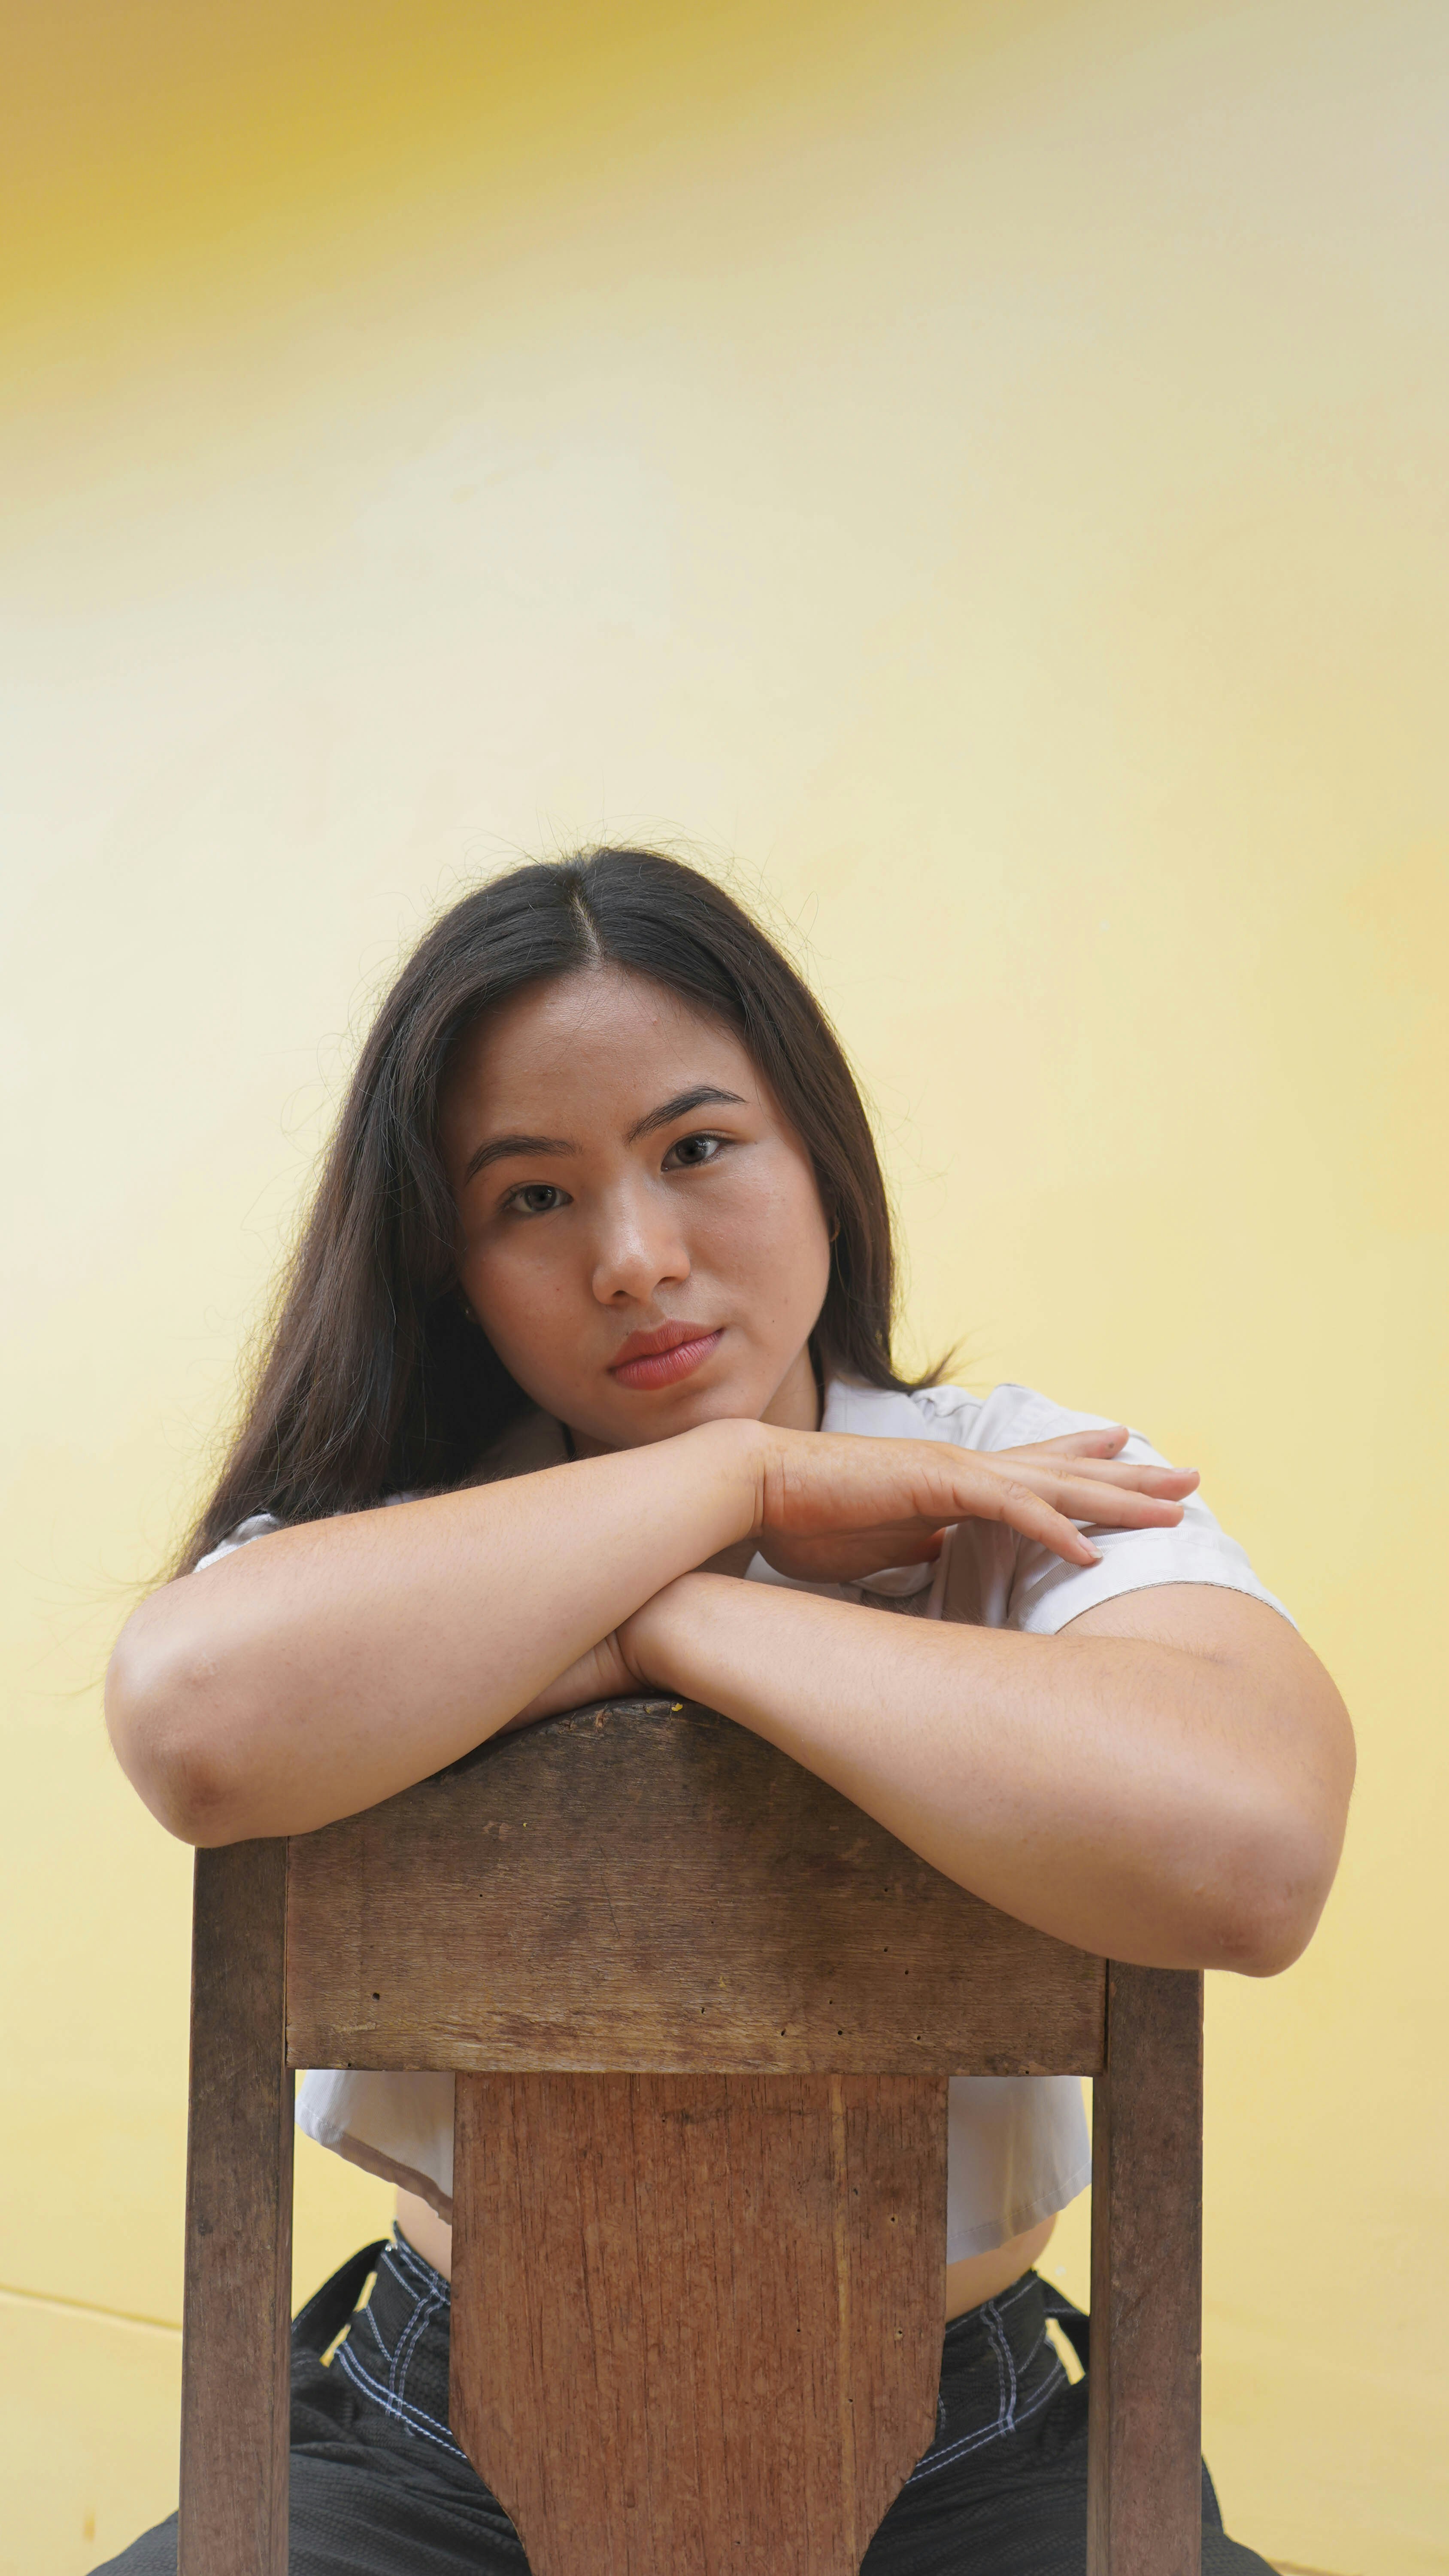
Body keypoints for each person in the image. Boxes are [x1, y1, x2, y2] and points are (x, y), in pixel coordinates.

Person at [99, 848, 1353, 2573]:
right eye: (530, 1198)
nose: (633, 1257)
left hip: (971, 2461)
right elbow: (194, 1721)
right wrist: (744, 1481)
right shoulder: (394, 1530)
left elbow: (1253, 1845)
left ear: (821, 1154)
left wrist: (660, 1622)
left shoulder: (1007, 1477)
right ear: (450, 1260)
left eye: (697, 1150)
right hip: (433, 2448)